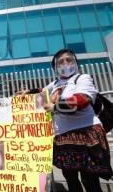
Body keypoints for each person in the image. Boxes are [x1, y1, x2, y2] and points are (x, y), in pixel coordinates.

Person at [19, 49, 112, 192]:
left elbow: (83, 100)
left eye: (69, 59)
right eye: (61, 61)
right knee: (70, 179)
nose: (65, 63)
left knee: (89, 180)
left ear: (75, 62)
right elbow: (42, 91)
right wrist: (27, 93)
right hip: (63, 137)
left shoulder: (82, 78)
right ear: (55, 67)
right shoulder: (55, 84)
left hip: (86, 134)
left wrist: (56, 107)